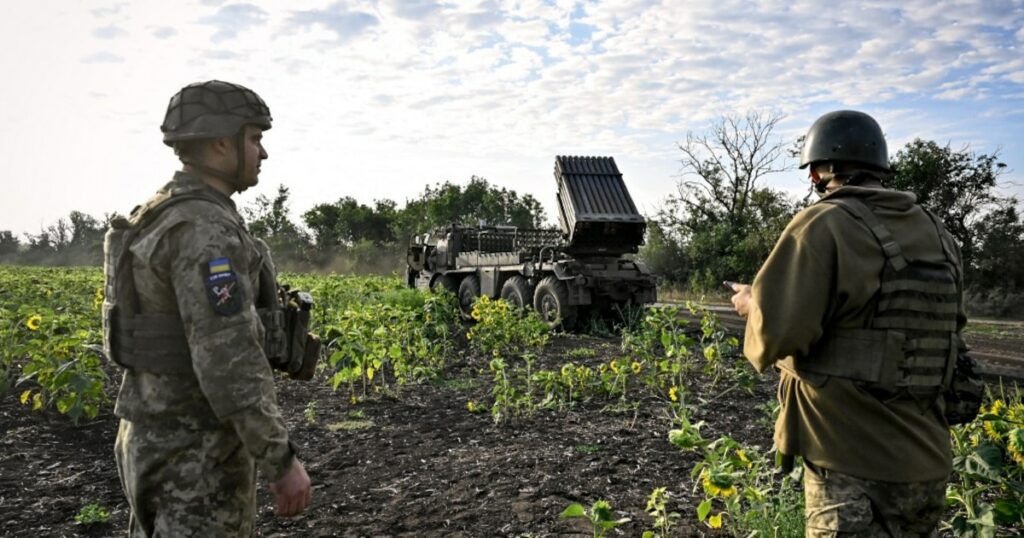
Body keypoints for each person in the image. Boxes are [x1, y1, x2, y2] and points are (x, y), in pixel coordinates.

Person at [729, 110, 965, 537]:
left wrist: (751, 303)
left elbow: (772, 336)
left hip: (849, 463)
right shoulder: (938, 233)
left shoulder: (823, 224)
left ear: (821, 170)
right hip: (926, 465)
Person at [102, 80, 311, 537]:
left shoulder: (157, 213)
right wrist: (279, 459)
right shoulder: (204, 230)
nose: (263, 153)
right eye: (255, 138)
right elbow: (228, 358)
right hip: (196, 451)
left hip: (149, 434)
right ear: (221, 142)